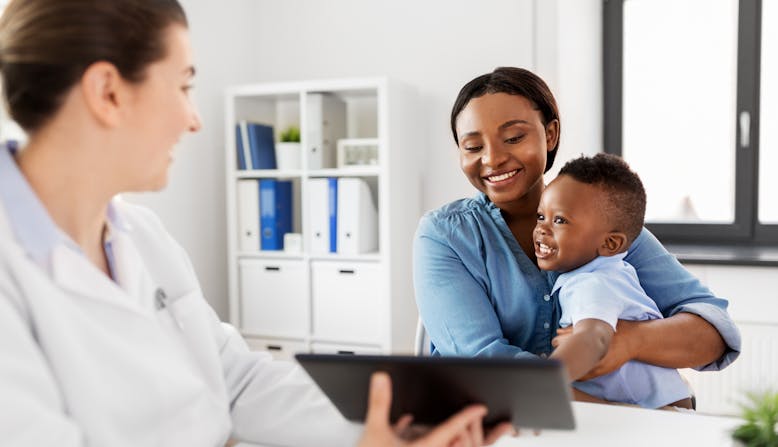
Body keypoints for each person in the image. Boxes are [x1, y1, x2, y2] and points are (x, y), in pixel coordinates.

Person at [0, 1, 513, 446]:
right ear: (107, 92)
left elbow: (236, 379)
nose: (193, 118)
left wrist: (397, 426)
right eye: (183, 86)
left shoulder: (141, 236)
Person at [413, 67, 741, 399]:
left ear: (550, 134)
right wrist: (615, 409)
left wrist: (627, 341)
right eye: (472, 147)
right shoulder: (446, 236)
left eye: (513, 138)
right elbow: (484, 367)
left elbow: (712, 334)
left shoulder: (603, 222)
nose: (493, 159)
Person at [536, 153, 693, 409]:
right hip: (656, 405)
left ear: (610, 243)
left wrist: (548, 378)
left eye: (560, 220)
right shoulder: (606, 273)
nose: (542, 229)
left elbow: (594, 338)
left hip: (661, 415)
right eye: (541, 216)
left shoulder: (595, 283)